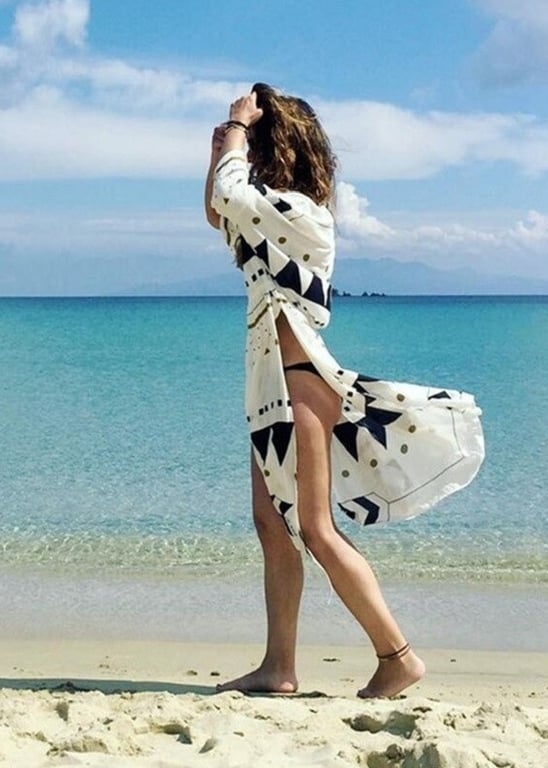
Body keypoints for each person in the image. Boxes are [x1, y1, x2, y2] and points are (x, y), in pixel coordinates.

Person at [204, 83, 484, 698]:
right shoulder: (266, 216)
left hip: (301, 383)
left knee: (315, 528)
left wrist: (236, 130)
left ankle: (397, 656)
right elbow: (217, 210)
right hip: (273, 387)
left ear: (274, 148)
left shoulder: (303, 214)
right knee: (271, 525)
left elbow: (228, 195)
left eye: (254, 141)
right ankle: (279, 667)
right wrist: (223, 143)